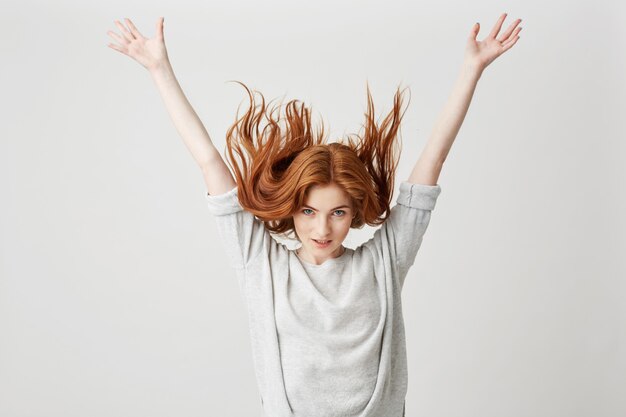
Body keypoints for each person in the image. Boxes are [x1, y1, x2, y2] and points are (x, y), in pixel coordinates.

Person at [107, 13, 521, 417]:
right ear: (291, 207)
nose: (322, 228)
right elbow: (209, 162)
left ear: (355, 211)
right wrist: (159, 69)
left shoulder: (383, 261)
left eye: (338, 212)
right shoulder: (261, 263)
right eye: (308, 211)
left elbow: (433, 160)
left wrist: (472, 69)